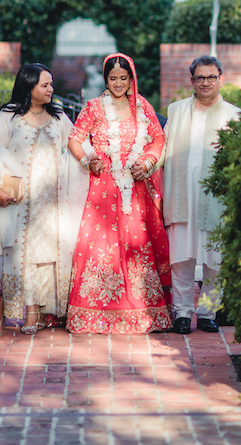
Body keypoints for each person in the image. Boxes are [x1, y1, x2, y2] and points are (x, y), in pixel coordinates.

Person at [66, 52, 173, 334]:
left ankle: (141, 309)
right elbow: (74, 139)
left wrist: (147, 162)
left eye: (123, 78)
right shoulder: (93, 107)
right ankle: (93, 312)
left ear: (131, 79)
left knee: (136, 243)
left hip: (135, 188)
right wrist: (86, 160)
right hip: (103, 187)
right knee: (100, 246)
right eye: (113, 78)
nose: (118, 83)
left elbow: (158, 138)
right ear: (106, 79)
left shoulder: (142, 107)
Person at [0, 63, 88, 335]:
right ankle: (30, 311)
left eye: (51, 84)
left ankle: (49, 310)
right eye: (45, 85)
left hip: (54, 200)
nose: (51, 89)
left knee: (52, 255)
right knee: (25, 254)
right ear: (29, 87)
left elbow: (77, 143)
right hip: (22, 201)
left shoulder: (57, 116)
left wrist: (94, 159)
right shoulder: (10, 115)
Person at [163, 55, 240, 334]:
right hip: (181, 194)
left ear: (221, 78)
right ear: (191, 80)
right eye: (200, 77)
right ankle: (182, 313)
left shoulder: (234, 115)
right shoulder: (177, 110)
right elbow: (162, 148)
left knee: (215, 261)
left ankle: (208, 312)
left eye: (211, 77)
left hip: (215, 199)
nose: (205, 82)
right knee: (181, 259)